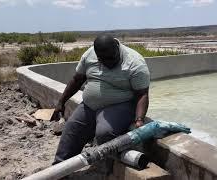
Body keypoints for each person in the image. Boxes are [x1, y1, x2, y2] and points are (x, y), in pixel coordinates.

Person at [52, 35, 150, 166]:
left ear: (117, 47)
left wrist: (139, 120)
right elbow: (77, 80)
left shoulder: (134, 62)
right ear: (97, 56)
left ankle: (110, 168)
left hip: (120, 105)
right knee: (71, 129)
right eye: (103, 60)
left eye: (112, 58)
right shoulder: (89, 54)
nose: (109, 62)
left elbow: (142, 94)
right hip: (89, 105)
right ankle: (60, 168)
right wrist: (61, 102)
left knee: (104, 133)